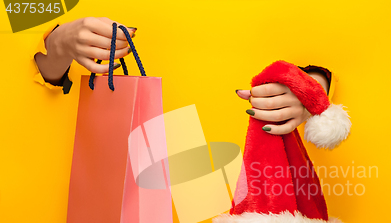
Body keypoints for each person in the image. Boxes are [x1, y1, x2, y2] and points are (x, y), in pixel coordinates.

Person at [34, 17, 335, 135]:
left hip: (241, 147)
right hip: (107, 137)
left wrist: (311, 89)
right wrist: (58, 43)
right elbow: (19, 20)